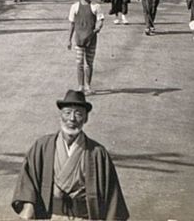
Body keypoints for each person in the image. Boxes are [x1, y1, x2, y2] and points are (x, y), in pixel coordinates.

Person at [12, 90, 129, 220]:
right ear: (60, 116)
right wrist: (29, 207)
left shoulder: (97, 153)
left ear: (86, 118)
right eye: (67, 113)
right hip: (51, 216)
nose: (72, 118)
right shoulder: (43, 146)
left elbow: (112, 196)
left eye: (78, 113)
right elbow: (28, 181)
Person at [68, 0, 106, 94]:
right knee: (79, 63)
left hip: (91, 39)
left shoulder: (96, 6)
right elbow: (72, 24)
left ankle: (88, 86)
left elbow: (101, 20)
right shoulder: (74, 7)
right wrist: (69, 40)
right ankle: (80, 86)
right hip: (79, 39)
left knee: (89, 63)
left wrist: (98, 28)